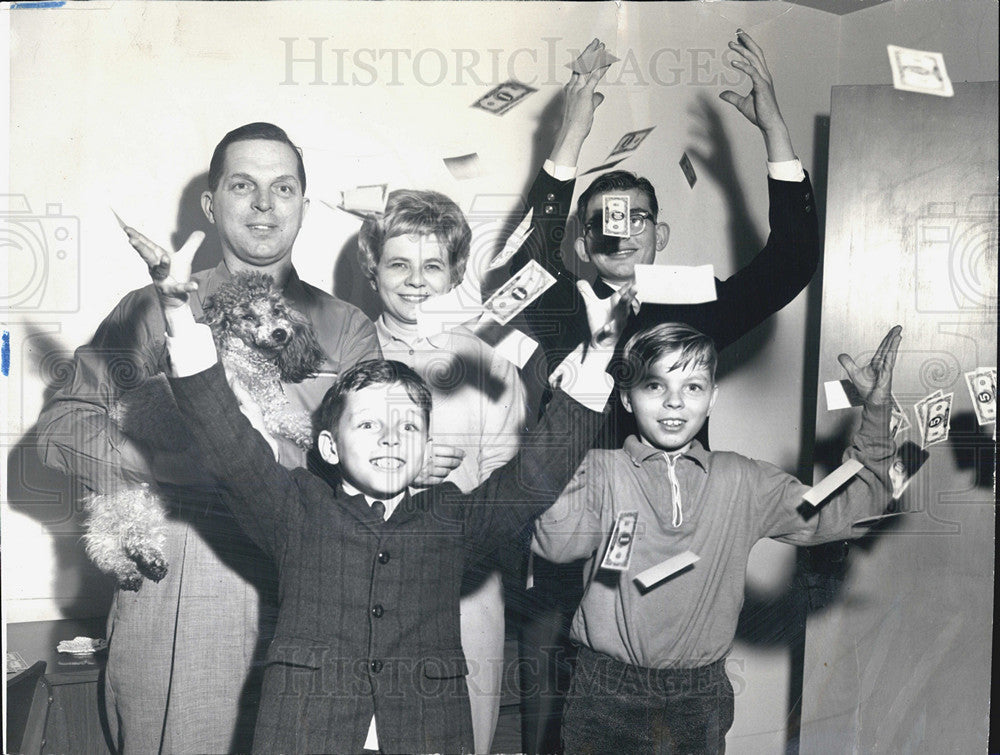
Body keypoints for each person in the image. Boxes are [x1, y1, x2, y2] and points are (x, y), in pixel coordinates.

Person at [126, 222, 633, 754]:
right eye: (368, 424)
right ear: (328, 446)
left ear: (425, 447)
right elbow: (227, 443)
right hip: (306, 734)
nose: (391, 437)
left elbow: (536, 477)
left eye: (409, 426)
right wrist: (180, 314)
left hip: (426, 734)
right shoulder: (295, 509)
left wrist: (598, 356)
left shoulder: (452, 518)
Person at [512, 34, 820, 751]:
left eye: (636, 219)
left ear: (660, 235)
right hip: (564, 553)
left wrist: (775, 128)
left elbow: (792, 261)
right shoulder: (559, 306)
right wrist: (573, 130)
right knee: (544, 728)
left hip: (669, 567)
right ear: (584, 243)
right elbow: (524, 253)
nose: (621, 231)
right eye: (604, 222)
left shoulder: (693, 309)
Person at [35, 122, 382, 753]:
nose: (263, 204)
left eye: (283, 188)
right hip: (184, 580)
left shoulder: (346, 326)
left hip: (309, 582)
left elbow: (369, 465)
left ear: (304, 203)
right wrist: (166, 462)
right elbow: (62, 426)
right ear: (210, 203)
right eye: (242, 185)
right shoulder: (151, 309)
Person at [532, 321, 901, 754]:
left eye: (692, 387)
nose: (674, 401)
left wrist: (875, 416)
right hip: (605, 692)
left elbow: (849, 512)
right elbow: (553, 540)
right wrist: (561, 417)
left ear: (712, 399)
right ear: (627, 397)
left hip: (698, 697)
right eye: (655, 385)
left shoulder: (743, 481)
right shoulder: (600, 472)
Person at [358, 189, 528, 752]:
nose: (414, 280)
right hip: (364, 586)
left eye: (432, 265)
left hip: (465, 584)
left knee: (460, 735)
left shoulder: (490, 356)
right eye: (398, 264)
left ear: (456, 272)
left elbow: (514, 481)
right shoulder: (347, 352)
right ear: (372, 266)